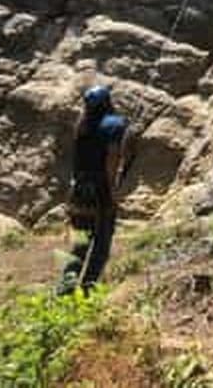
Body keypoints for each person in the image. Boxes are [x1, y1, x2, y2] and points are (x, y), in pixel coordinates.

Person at [57, 85, 128, 295]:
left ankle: (65, 292)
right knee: (101, 243)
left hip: (80, 189)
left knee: (79, 244)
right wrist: (112, 191)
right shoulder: (114, 125)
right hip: (100, 190)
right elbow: (111, 161)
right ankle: (88, 291)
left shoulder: (82, 126)